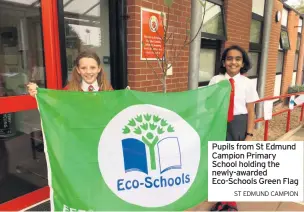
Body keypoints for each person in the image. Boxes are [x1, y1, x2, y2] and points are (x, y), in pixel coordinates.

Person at [208, 45, 259, 211]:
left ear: (242, 62)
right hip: (219, 123)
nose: (233, 62)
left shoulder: (247, 83)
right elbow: (210, 105)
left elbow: (251, 110)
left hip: (238, 124)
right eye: (229, 58)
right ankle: (222, 200)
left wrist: (249, 134)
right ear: (223, 62)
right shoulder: (216, 80)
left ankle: (231, 202)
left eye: (238, 59)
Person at [27, 50, 113, 96]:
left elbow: (116, 111)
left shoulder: (108, 89)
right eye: (83, 68)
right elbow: (55, 106)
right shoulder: (68, 90)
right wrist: (39, 94)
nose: (88, 72)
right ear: (78, 70)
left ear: (99, 69)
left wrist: (125, 96)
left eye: (93, 67)